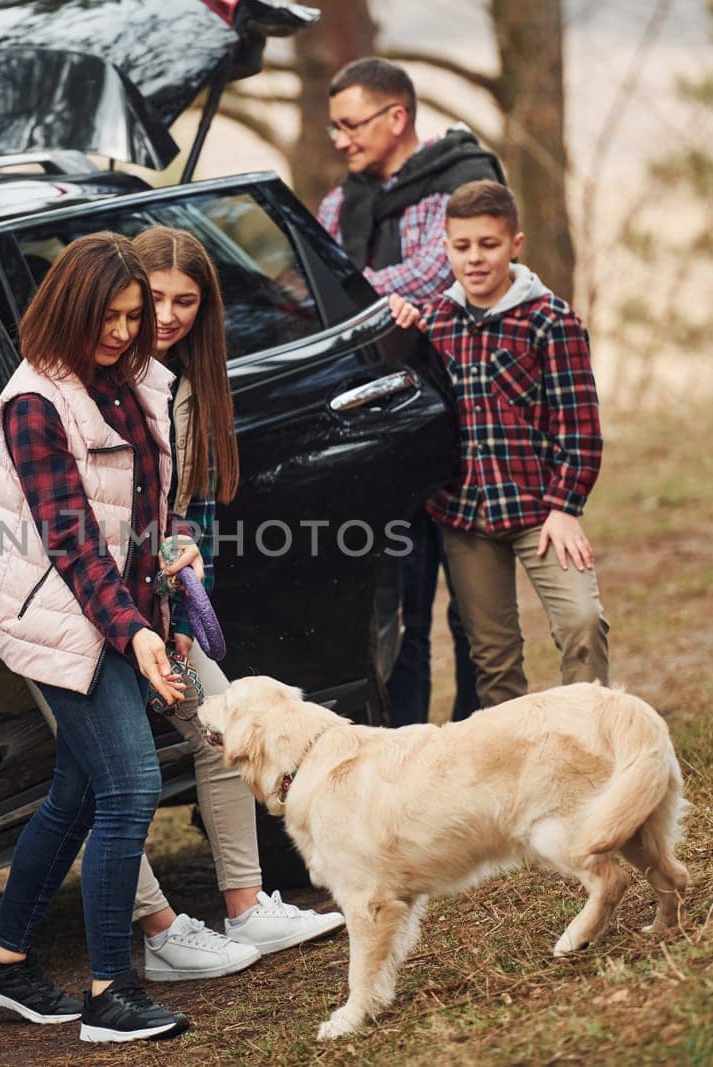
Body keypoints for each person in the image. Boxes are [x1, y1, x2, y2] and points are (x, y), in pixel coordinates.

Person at [0, 232, 190, 1043]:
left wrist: (160, 623)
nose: (124, 332)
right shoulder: (34, 402)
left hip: (110, 615)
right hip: (52, 614)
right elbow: (74, 541)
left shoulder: (128, 384)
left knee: (81, 790)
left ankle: (0, 959)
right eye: (109, 316)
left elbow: (144, 523)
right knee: (130, 787)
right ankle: (108, 992)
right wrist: (132, 635)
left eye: (134, 317)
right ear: (71, 308)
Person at [123, 225, 346, 982]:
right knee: (107, 774)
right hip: (95, 611)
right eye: (156, 296)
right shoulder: (105, 380)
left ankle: (247, 905)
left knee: (224, 734)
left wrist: (184, 599)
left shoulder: (189, 380)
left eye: (186, 300)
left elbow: (186, 515)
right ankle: (157, 928)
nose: (169, 314)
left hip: (159, 606)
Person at [316, 56, 503, 726]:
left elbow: (436, 273)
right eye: (333, 127)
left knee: (477, 616)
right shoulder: (341, 204)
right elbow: (319, 290)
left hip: (467, 430)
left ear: (397, 117)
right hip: (385, 431)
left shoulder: (460, 182)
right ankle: (411, 757)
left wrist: (353, 298)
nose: (339, 140)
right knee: (402, 613)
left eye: (350, 124)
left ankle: (484, 745)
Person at [395, 179, 609, 708]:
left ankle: (594, 737)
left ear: (515, 244)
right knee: (492, 657)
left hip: (541, 510)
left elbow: (579, 423)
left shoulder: (550, 320)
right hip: (466, 516)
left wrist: (565, 506)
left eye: (488, 245)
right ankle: (517, 771)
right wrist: (400, 326)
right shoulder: (435, 323)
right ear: (445, 247)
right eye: (462, 246)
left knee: (582, 621)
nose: (475, 259)